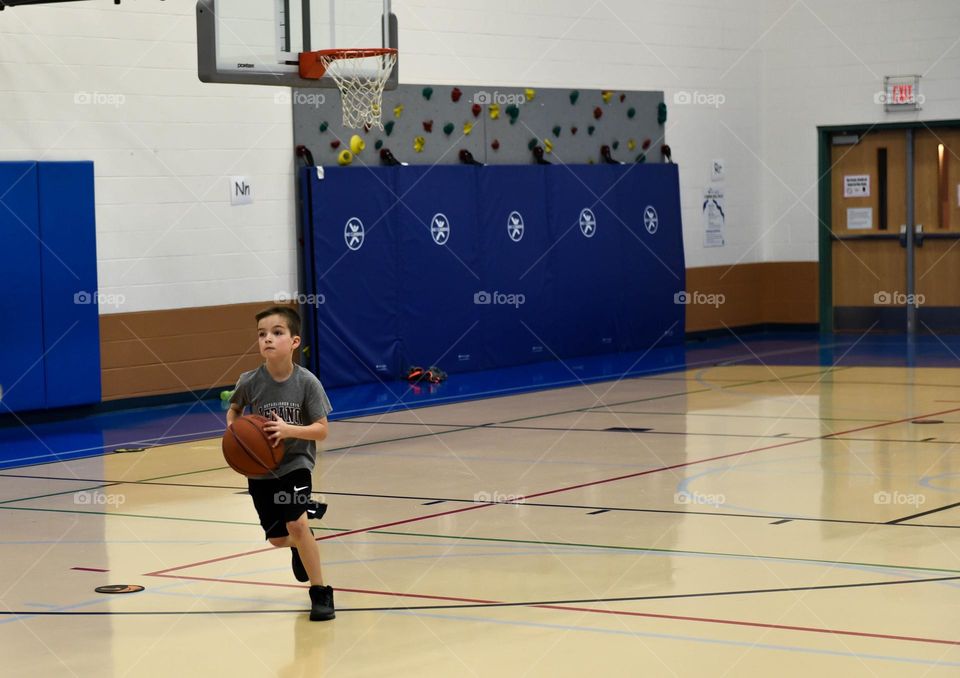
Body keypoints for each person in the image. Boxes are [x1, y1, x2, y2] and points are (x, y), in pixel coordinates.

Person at [226, 305, 335, 621]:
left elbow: (323, 430)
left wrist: (289, 430)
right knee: (277, 538)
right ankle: (299, 544)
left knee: (297, 524)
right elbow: (234, 411)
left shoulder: (307, 382)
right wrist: (234, 430)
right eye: (262, 334)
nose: (268, 339)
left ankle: (321, 593)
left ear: (295, 341)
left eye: (277, 333)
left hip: (295, 464)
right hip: (260, 470)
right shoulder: (249, 381)